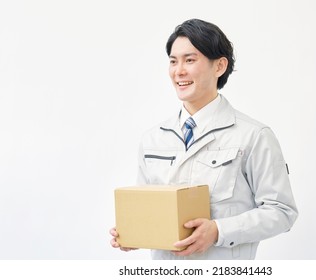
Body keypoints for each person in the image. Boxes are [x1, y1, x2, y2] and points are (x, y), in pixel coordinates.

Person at [110, 18, 298, 260]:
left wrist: (219, 230)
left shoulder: (253, 136)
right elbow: (146, 210)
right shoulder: (153, 140)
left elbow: (282, 212)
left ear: (219, 66)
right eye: (173, 61)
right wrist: (133, 231)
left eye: (190, 60)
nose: (179, 71)